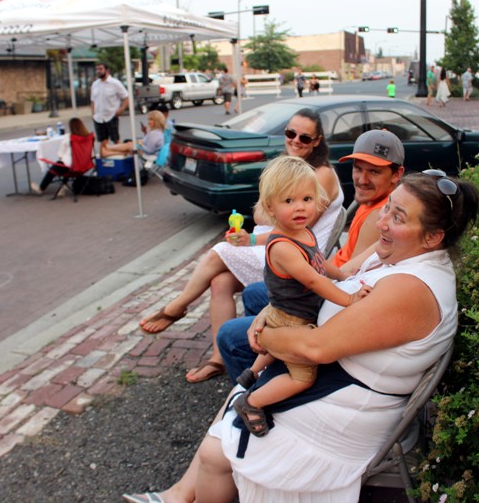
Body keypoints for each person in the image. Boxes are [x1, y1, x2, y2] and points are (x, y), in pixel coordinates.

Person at [123, 169, 479, 503]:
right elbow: (339, 275)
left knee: (217, 450)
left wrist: (266, 336)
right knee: (239, 400)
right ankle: (179, 495)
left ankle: (184, 493)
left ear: (434, 237)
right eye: (387, 209)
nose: (382, 223)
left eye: (398, 218)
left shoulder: (411, 289)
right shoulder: (398, 254)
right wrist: (273, 311)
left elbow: (315, 347)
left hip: (347, 412)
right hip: (337, 377)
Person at [139, 108, 345, 384]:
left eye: (304, 138)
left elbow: (290, 228)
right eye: (290, 133)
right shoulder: (290, 167)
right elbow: (266, 218)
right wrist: (253, 233)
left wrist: (255, 231)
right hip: (276, 244)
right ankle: (218, 359)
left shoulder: (319, 174)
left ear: (317, 141)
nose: (295, 141)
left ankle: (177, 306)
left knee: (220, 252)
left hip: (294, 257)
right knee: (220, 282)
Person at [217, 129, 406, 383]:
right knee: (253, 294)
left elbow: (349, 275)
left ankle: (261, 389)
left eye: (374, 171)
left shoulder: (380, 216)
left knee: (229, 335)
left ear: (397, 175)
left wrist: (272, 319)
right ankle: (272, 365)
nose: (361, 179)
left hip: (326, 297)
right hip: (322, 282)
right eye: (358, 169)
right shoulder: (368, 202)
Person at [231, 156, 370, 437]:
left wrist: (344, 277)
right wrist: (350, 299)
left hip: (281, 309)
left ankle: (251, 373)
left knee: (271, 347)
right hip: (291, 320)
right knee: (303, 378)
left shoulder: (303, 232)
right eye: (289, 201)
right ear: (270, 206)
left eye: (307, 198)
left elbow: (320, 263)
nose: (300, 207)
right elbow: (313, 279)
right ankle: (251, 402)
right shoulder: (284, 247)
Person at [30, 118, 93, 195]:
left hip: (72, 167)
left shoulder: (69, 137)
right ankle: (63, 186)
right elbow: (92, 154)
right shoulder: (88, 137)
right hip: (85, 166)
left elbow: (60, 154)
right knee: (64, 164)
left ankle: (41, 188)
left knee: (57, 166)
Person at [91, 62, 129, 147]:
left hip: (111, 115)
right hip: (99, 117)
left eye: (100, 69)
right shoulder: (95, 84)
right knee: (102, 141)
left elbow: (126, 97)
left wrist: (121, 109)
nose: (98, 71)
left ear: (107, 70)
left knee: (116, 139)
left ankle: (120, 157)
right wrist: (93, 114)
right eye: (97, 69)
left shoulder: (115, 83)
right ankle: (105, 158)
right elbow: (93, 100)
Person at [100, 110, 165, 158]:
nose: (148, 122)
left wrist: (140, 144)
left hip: (147, 154)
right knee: (129, 151)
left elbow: (149, 150)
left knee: (129, 145)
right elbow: (150, 143)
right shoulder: (157, 132)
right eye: (148, 119)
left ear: (157, 121)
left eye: (151, 120)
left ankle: (108, 148)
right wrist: (145, 134)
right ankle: (107, 153)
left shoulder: (154, 133)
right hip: (147, 153)